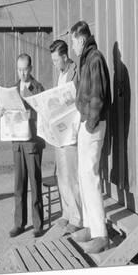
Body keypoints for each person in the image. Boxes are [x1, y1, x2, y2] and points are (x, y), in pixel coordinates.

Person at [70, 21, 111, 253]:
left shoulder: (94, 58)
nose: (73, 46)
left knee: (91, 176)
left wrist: (90, 124)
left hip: (92, 126)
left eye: (74, 41)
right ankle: (89, 225)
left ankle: (101, 235)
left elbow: (98, 96)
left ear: (81, 39)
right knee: (83, 176)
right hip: (87, 123)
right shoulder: (87, 58)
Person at [8, 53, 45, 238]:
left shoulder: (38, 88)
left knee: (35, 183)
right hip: (17, 142)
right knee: (19, 185)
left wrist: (31, 115)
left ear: (31, 69)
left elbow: (44, 113)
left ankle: (38, 224)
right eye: (19, 69)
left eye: (25, 69)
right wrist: (3, 112)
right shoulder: (12, 89)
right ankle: (19, 223)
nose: (22, 73)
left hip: (32, 143)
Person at [49, 39, 82, 233]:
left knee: (72, 176)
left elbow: (77, 99)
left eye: (55, 60)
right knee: (61, 174)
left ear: (64, 56)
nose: (54, 64)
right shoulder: (60, 75)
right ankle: (66, 213)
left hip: (71, 131)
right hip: (59, 131)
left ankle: (77, 218)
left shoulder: (74, 72)